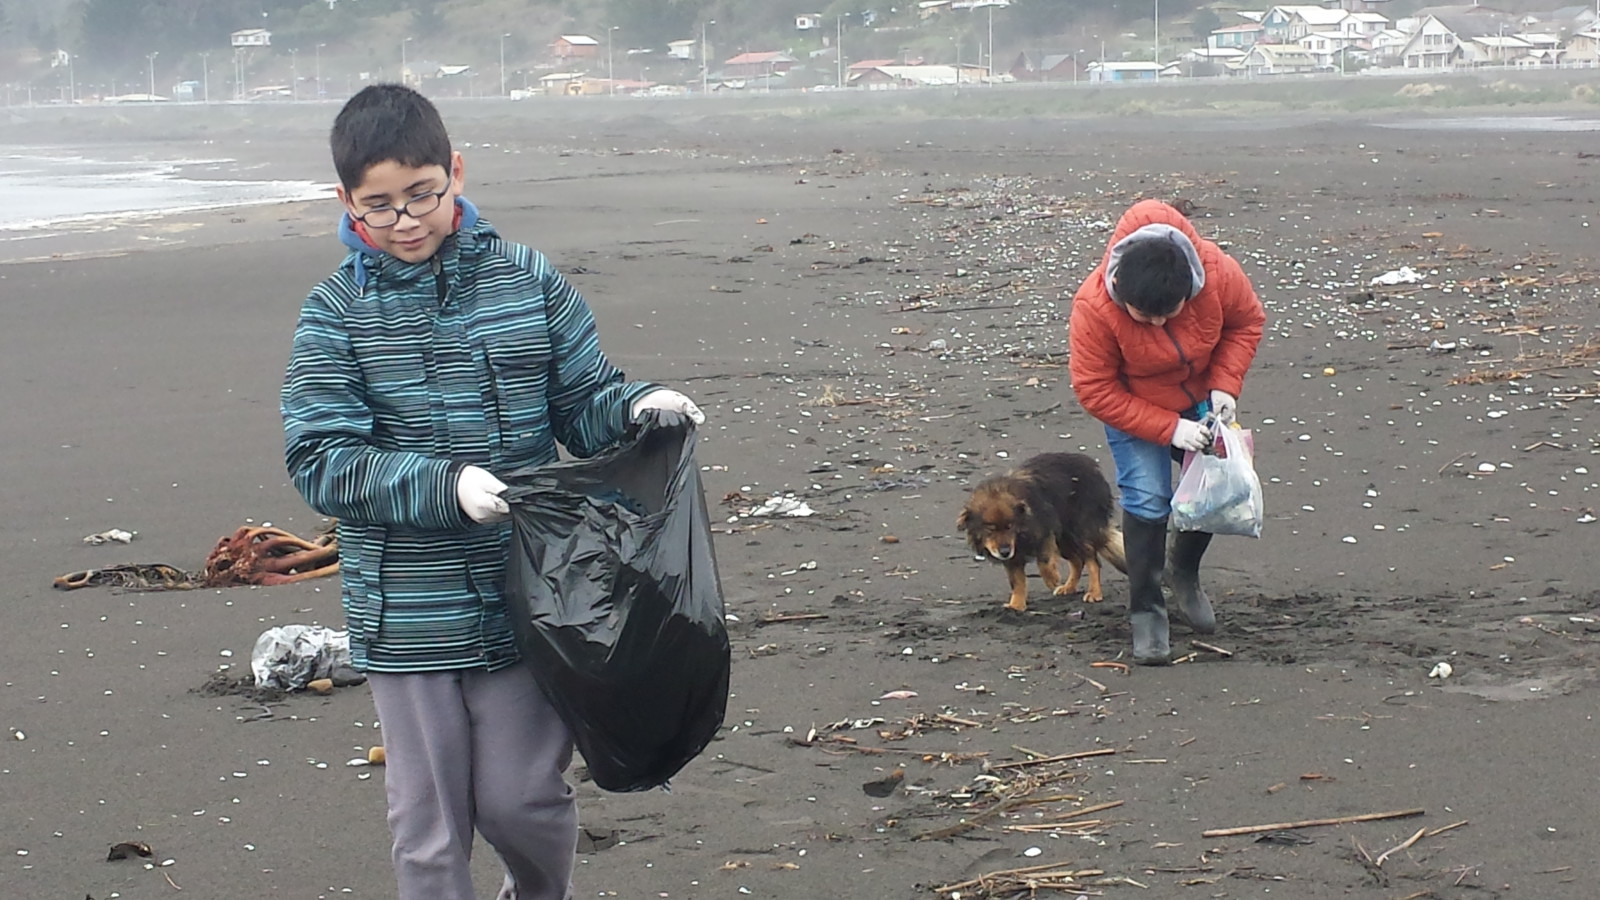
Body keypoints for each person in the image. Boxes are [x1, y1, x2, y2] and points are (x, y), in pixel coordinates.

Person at [280, 84, 704, 900]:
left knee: (522, 801)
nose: (406, 221)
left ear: (456, 173)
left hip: (532, 598)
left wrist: (636, 408)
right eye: (380, 206)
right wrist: (444, 486)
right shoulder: (334, 315)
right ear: (345, 202)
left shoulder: (527, 280)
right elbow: (319, 458)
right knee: (431, 829)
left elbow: (583, 403)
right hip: (406, 617)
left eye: (422, 196)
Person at [1068, 199, 1265, 666]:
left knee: (1222, 487)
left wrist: (1224, 386)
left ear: (1190, 288)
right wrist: (1169, 429)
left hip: (1201, 397)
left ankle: (1184, 571)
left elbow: (1246, 322)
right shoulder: (1094, 306)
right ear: (1118, 286)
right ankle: (1147, 610)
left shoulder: (1217, 272)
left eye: (1168, 314)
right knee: (1147, 498)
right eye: (1144, 317)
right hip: (1134, 406)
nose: (1157, 325)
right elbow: (1095, 389)